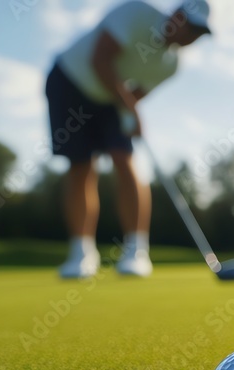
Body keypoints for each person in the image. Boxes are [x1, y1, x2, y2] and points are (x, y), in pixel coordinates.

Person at [46, 0, 212, 278]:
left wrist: (130, 111)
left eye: (199, 34)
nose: (193, 38)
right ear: (178, 16)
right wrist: (131, 110)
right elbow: (100, 60)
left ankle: (136, 251)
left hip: (112, 97)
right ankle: (81, 254)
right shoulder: (136, 12)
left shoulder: (170, 65)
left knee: (124, 159)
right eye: (192, 29)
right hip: (70, 81)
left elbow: (135, 96)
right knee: (81, 166)